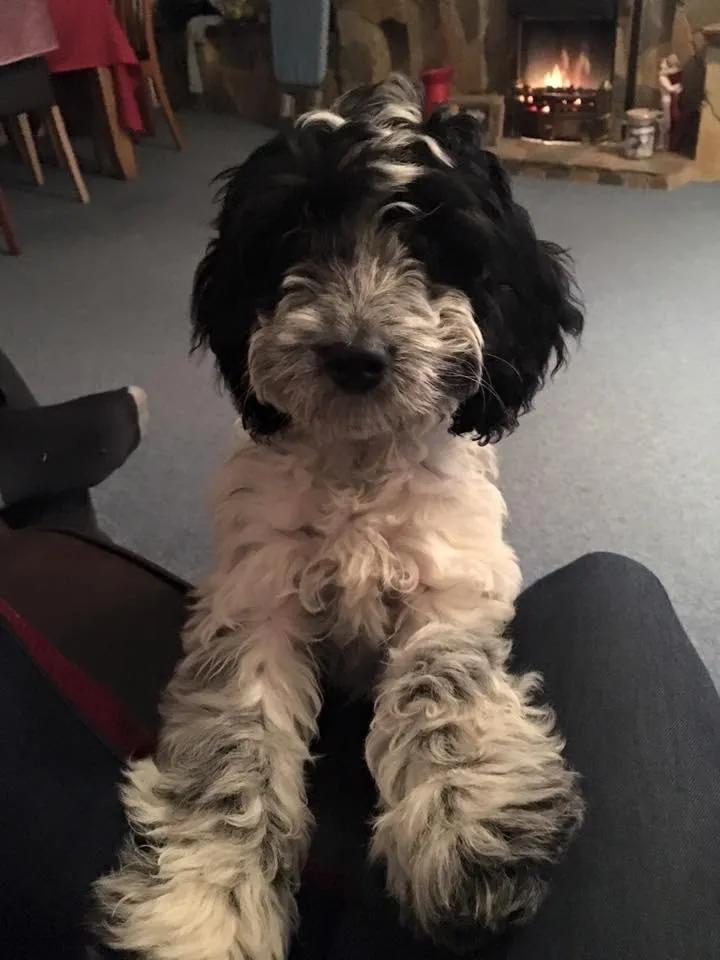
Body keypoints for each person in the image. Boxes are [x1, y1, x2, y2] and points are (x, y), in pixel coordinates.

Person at [0, 352, 718, 960]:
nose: (359, 331)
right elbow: (249, 643)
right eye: (307, 261)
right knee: (611, 587)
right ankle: (218, 870)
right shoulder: (267, 481)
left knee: (527, 616)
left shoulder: (453, 476)